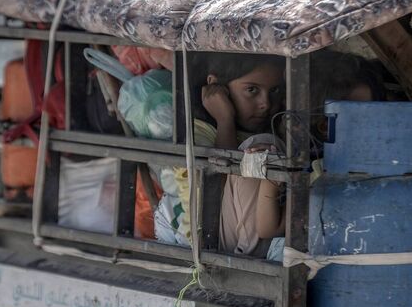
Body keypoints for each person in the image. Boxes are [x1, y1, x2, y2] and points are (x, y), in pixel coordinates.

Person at [219, 49, 385, 260]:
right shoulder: (307, 166)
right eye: (351, 114)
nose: (363, 125)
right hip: (269, 253)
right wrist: (274, 176)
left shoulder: (372, 162)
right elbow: (268, 229)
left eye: (369, 114)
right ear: (321, 121)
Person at [154, 52, 285, 246]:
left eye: (274, 91)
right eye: (252, 90)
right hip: (210, 238)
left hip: (243, 232)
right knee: (259, 148)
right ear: (216, 87)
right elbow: (214, 196)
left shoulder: (274, 126)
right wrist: (225, 120)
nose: (265, 104)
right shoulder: (196, 135)